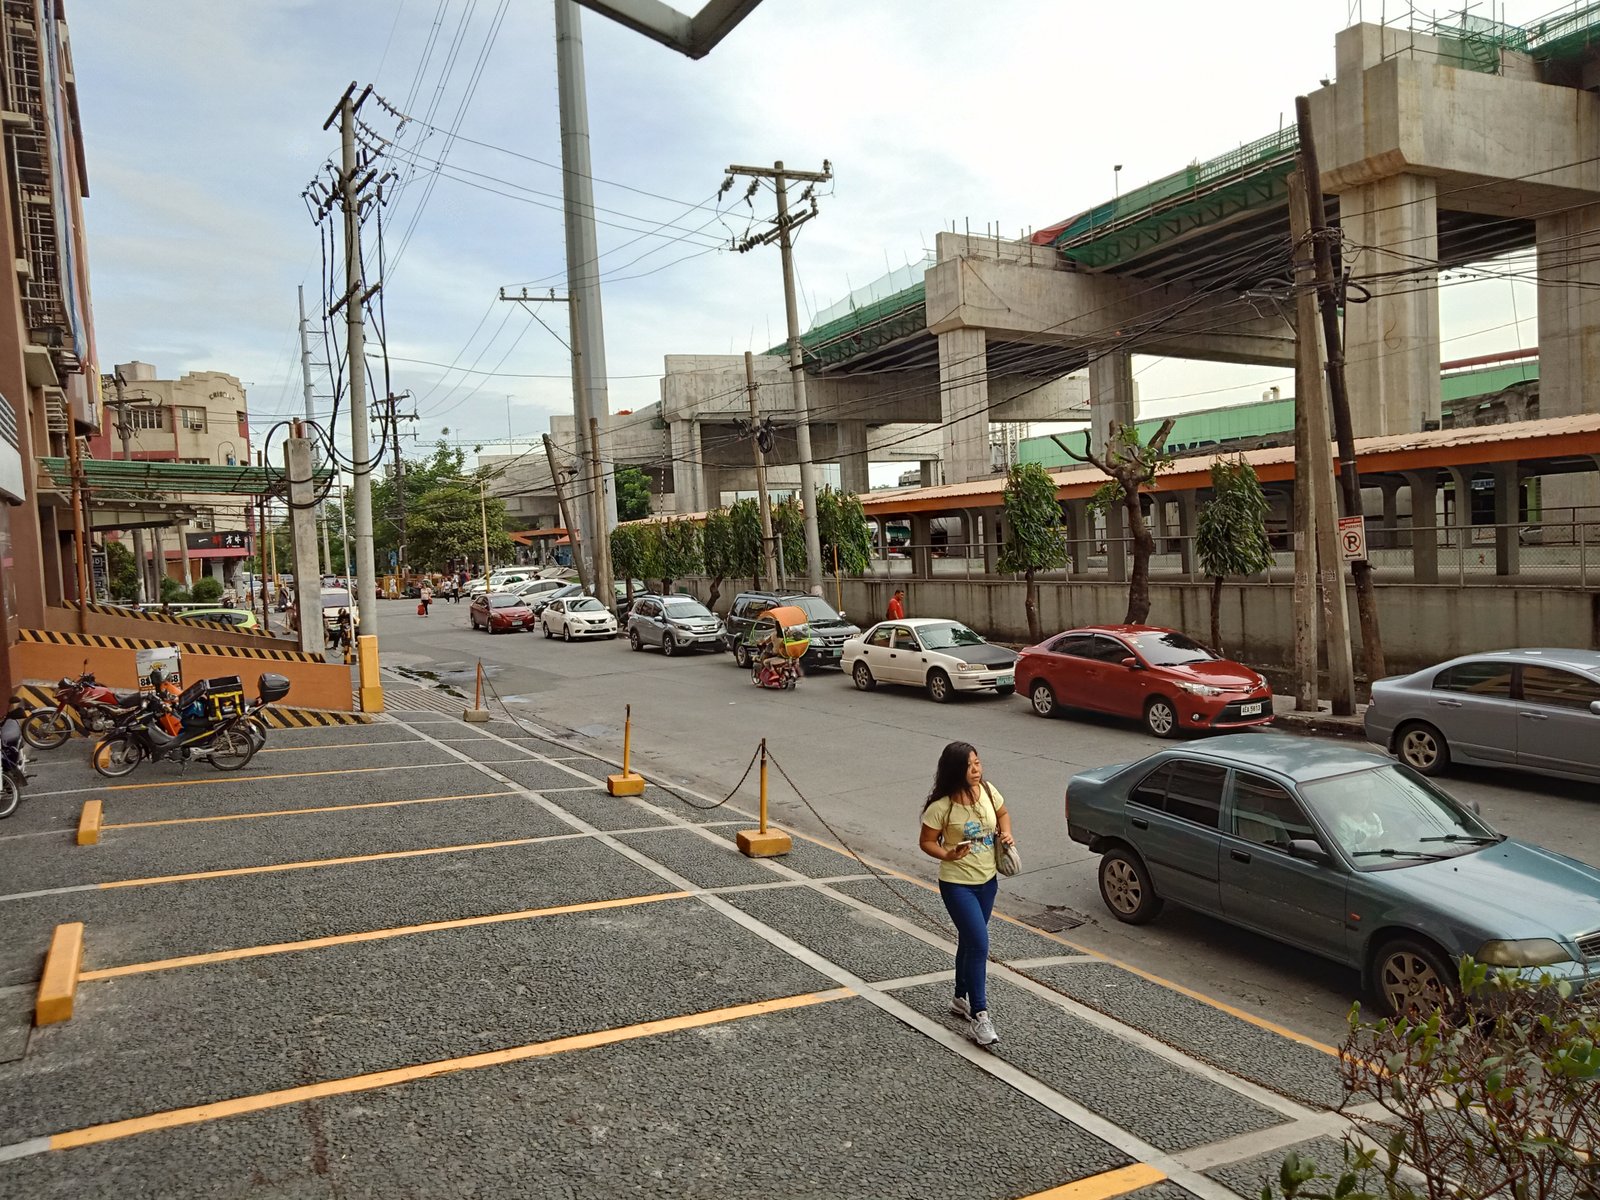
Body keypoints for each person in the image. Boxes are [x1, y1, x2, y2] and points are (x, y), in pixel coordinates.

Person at [918, 741, 1013, 1047]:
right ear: (955, 770)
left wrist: (1006, 833)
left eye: (978, 763)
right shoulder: (941, 807)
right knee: (979, 943)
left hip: (988, 881)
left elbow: (1003, 813)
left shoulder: (987, 791)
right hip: (957, 884)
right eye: (969, 765)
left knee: (970, 941)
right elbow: (926, 841)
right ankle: (980, 1016)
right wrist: (948, 854)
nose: (976, 770)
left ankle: (960, 997)